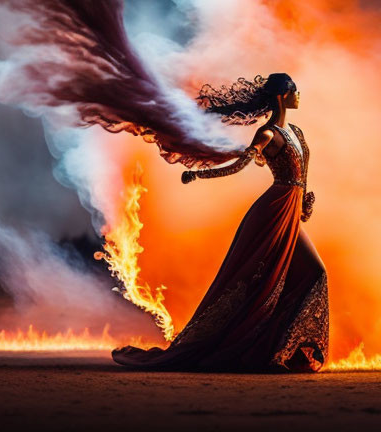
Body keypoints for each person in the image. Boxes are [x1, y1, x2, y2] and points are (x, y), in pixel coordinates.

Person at [112, 73, 328, 372]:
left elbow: (302, 173)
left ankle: (279, 348)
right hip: (273, 210)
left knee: (313, 272)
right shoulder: (267, 134)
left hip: (290, 208)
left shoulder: (297, 133)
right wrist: (200, 174)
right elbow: (240, 165)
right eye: (294, 90)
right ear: (281, 96)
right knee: (262, 281)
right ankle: (259, 351)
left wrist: (304, 204)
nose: (299, 95)